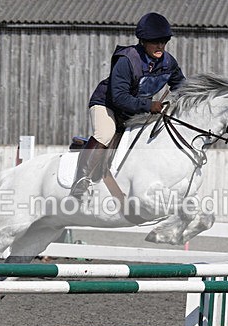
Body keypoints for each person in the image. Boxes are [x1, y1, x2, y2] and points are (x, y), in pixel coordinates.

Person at [70, 12, 186, 198]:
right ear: (143, 41)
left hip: (135, 109)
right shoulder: (127, 60)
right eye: (155, 41)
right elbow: (119, 98)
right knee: (105, 134)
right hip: (107, 104)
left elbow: (181, 85)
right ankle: (80, 183)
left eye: (163, 41)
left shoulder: (168, 62)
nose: (160, 46)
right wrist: (149, 105)